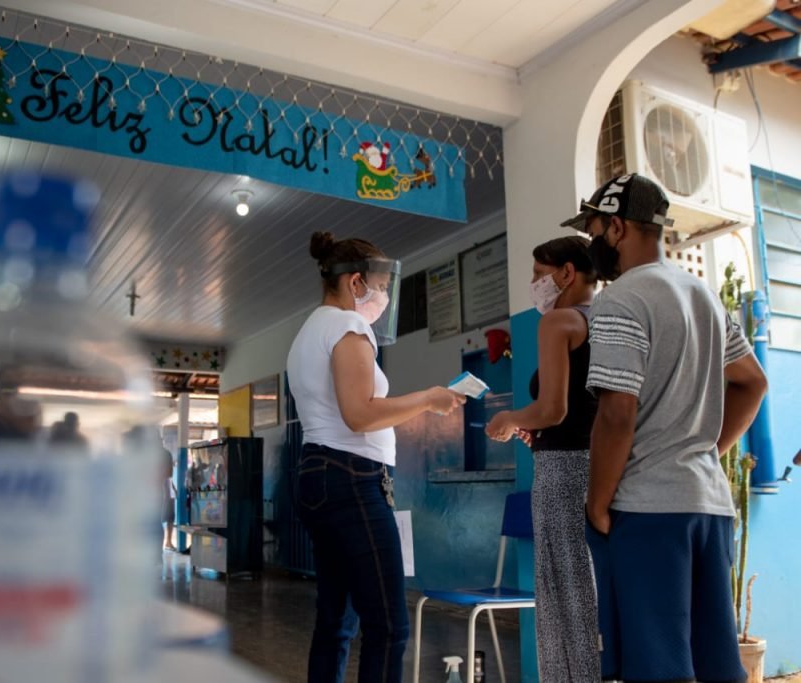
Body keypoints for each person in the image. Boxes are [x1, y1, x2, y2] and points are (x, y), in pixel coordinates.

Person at [560, 173, 768, 683]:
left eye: (592, 230)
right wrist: (705, 451)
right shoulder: (703, 296)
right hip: (709, 506)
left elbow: (616, 413)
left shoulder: (621, 299)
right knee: (717, 661)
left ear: (615, 227)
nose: (592, 245)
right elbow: (752, 383)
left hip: (648, 510)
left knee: (656, 665)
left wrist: (597, 502)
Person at [286, 231, 464, 683]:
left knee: (336, 621)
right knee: (387, 624)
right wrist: (427, 399)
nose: (385, 296)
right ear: (356, 284)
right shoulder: (348, 327)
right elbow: (360, 414)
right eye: (381, 286)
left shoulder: (309, 331)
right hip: (352, 479)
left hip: (319, 475)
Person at [484, 236, 600, 682]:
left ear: (566, 273)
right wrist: (541, 434)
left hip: (563, 475)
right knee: (590, 594)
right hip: (598, 467)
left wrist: (510, 419)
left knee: (563, 600)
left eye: (537, 274)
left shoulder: (559, 323)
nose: (534, 284)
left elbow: (553, 409)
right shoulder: (608, 320)